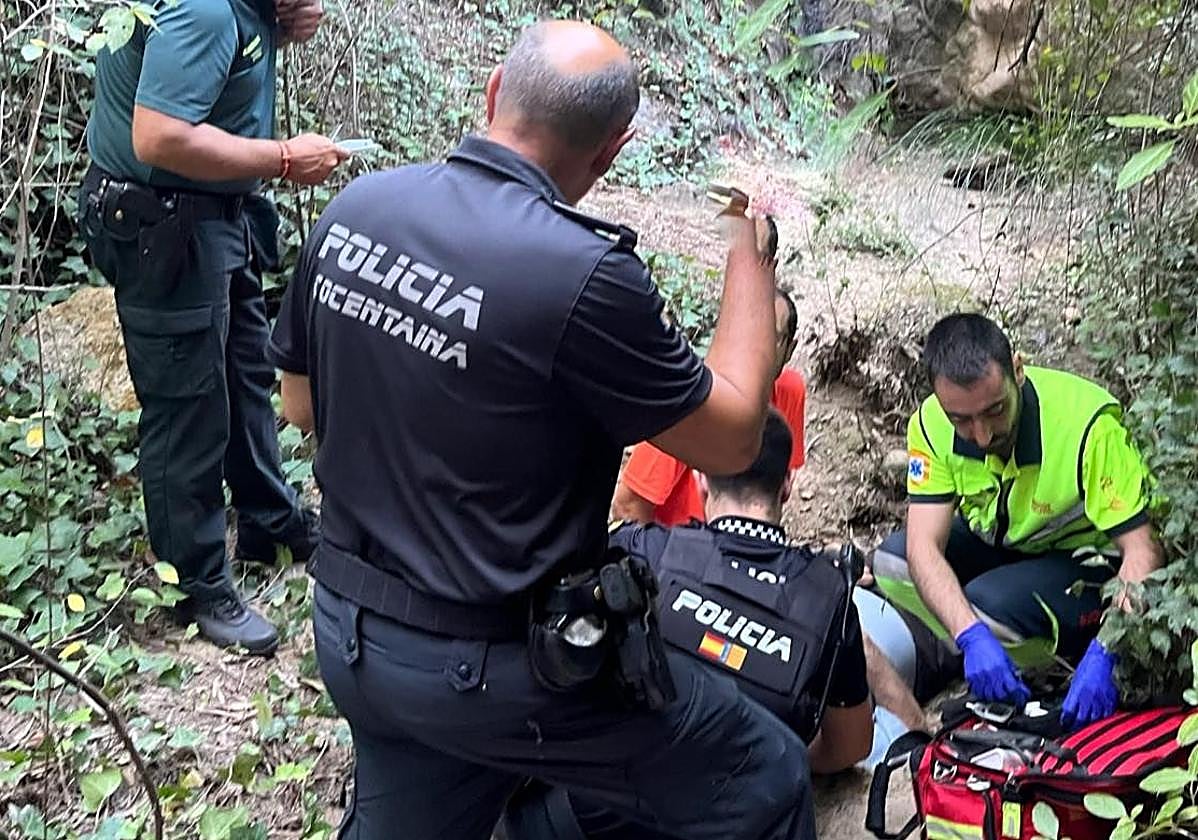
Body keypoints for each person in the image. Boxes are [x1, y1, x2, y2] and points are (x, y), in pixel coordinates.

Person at [269, 20, 817, 840]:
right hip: (493, 668)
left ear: (495, 89)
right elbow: (736, 438)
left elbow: (301, 406)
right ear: (611, 151)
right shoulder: (585, 276)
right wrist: (750, 248)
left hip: (353, 632)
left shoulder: (360, 205)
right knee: (764, 776)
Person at [75, 0, 347, 654]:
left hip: (218, 216)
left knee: (244, 376)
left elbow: (211, 78)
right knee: (187, 406)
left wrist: (276, 27)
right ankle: (195, 585)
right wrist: (283, 158)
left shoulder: (243, 11)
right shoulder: (205, 8)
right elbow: (159, 136)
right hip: (163, 224)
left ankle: (268, 521)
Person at [502, 410, 870, 840]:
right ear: (787, 485)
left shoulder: (642, 550)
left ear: (700, 482)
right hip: (737, 818)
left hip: (590, 819)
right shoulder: (829, 599)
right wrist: (760, 761)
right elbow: (851, 745)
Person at [872, 313, 1162, 727]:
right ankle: (974, 651)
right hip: (1006, 544)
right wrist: (969, 635)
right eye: (961, 420)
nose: (983, 435)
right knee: (892, 561)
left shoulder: (1087, 427)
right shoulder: (931, 424)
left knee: (987, 605)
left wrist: (1109, 649)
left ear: (1018, 370)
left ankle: (1046, 665)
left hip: (1084, 565)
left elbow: (1145, 551)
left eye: (995, 410)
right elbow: (922, 547)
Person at [612, 288, 806, 526]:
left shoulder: (790, 391)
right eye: (744, 332)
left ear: (789, 350)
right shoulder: (691, 400)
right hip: (683, 542)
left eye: (769, 336)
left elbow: (774, 488)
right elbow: (628, 504)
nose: (753, 347)